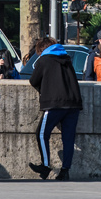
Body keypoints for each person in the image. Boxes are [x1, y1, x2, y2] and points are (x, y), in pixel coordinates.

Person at [28, 34, 84, 181]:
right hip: (73, 103)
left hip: (54, 103)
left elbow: (33, 80)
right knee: (68, 138)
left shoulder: (44, 59)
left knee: (41, 133)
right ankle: (65, 170)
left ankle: (45, 166)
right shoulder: (66, 58)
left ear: (41, 49)